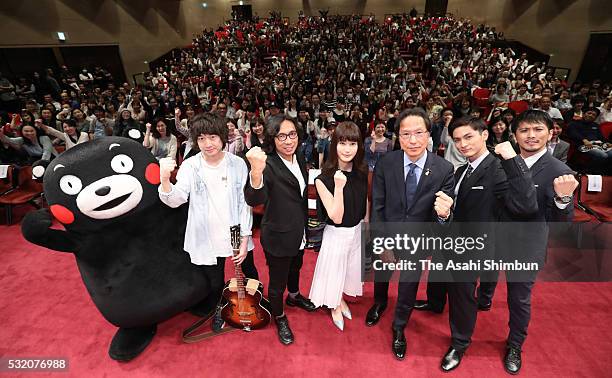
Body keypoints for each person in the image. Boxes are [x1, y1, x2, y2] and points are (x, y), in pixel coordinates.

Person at [425, 116, 539, 371]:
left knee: (463, 295)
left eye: (468, 137)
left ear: (484, 135)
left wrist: (512, 160)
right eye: (457, 140)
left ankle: (459, 343)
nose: (463, 144)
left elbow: (526, 205)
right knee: (442, 278)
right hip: (453, 239)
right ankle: (434, 304)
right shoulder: (462, 170)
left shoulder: (499, 168)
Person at [365, 108, 455, 361]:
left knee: (408, 285)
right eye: (406, 134)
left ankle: (399, 326)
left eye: (418, 133)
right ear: (398, 137)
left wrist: (443, 215)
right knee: (382, 272)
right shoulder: (386, 163)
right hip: (389, 233)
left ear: (429, 135)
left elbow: (443, 213)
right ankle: (380, 302)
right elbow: (378, 205)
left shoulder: (444, 168)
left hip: (419, 240)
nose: (412, 140)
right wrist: (381, 242)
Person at [158, 113, 257, 331]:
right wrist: (165, 180)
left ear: (222, 137)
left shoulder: (238, 164)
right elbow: (177, 199)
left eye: (212, 137)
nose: (208, 144)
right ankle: (219, 311)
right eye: (201, 138)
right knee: (214, 280)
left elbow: (244, 203)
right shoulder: (191, 165)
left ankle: (255, 305)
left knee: (249, 270)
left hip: (235, 230)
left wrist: (245, 237)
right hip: (207, 233)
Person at [497, 109, 578, 374]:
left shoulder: (560, 171)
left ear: (551, 132)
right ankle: (484, 300)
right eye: (524, 130)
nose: (531, 136)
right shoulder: (502, 161)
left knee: (519, 299)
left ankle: (515, 345)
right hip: (493, 238)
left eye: (537, 130)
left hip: (526, 246)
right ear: (514, 134)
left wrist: (564, 200)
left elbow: (561, 227)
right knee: (482, 280)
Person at [244, 114, 317, 346]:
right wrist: (255, 172)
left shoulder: (300, 158)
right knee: (277, 283)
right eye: (282, 136)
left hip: (299, 230)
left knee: (296, 267)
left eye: (292, 134)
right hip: (278, 234)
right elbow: (254, 197)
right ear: (272, 139)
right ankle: (280, 316)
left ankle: (294, 298)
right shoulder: (269, 165)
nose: (288, 141)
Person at [309, 122, 368, 331]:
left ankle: (340, 298)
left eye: (352, 143)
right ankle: (334, 305)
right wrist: (340, 187)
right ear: (334, 145)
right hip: (336, 233)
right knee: (334, 271)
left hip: (357, 230)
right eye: (342, 143)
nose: (347, 149)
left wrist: (366, 227)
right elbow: (336, 216)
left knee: (349, 270)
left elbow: (364, 202)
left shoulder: (362, 171)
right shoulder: (323, 178)